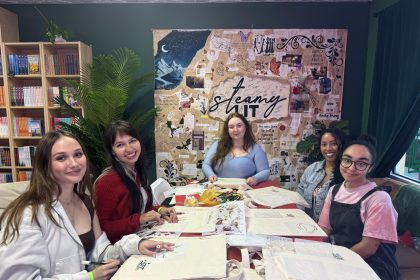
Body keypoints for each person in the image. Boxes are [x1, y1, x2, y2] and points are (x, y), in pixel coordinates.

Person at [0, 131, 173, 280]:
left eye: (77, 154)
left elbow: (100, 254)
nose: (74, 163)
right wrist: (88, 277)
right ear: (45, 166)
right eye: (61, 158)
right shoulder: (27, 215)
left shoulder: (85, 202)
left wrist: (135, 245)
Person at [318, 135, 399, 280]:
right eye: (347, 160)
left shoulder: (379, 199)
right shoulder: (334, 191)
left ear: (370, 167)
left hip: (372, 265)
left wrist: (334, 264)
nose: (351, 168)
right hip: (340, 256)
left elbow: (369, 247)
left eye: (361, 163)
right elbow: (324, 229)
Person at [95, 120, 177, 244]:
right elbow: (102, 229)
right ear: (112, 151)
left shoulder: (136, 171)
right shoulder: (107, 182)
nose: (129, 148)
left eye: (132, 140)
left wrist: (160, 210)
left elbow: (142, 208)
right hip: (120, 250)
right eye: (120, 145)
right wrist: (139, 219)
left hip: (141, 237)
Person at [202, 112, 269, 186]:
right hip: (218, 188)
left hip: (246, 189)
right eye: (231, 127)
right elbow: (206, 164)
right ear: (227, 130)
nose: (235, 130)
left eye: (239, 126)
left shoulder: (256, 148)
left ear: (245, 127)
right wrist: (210, 175)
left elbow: (265, 171)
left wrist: (256, 178)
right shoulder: (217, 145)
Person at [296, 128, 347, 222]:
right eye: (324, 144)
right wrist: (301, 218)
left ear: (342, 145)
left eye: (333, 144)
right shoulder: (312, 168)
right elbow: (299, 193)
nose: (328, 148)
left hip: (330, 231)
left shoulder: (347, 173)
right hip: (305, 225)